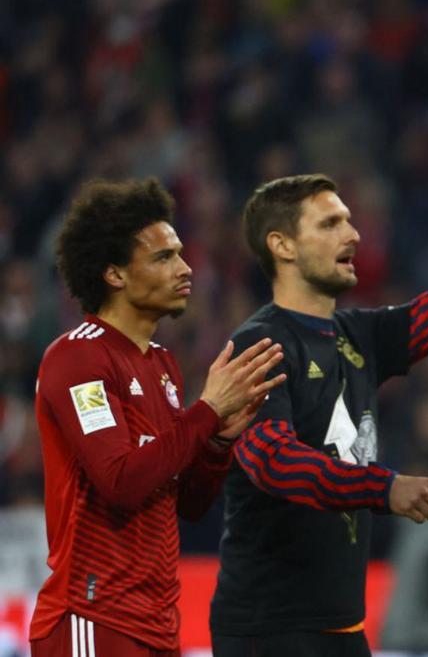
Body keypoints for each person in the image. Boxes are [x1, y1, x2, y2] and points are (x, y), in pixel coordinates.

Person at [209, 91, 428, 656]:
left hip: (344, 627)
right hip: (269, 630)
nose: (352, 235)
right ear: (281, 245)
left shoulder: (359, 336)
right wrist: (386, 487)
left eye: (350, 221)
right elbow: (275, 464)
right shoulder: (257, 343)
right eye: (330, 224)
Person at [30, 178, 285, 657]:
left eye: (181, 254)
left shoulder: (163, 365)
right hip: (93, 619)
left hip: (158, 625)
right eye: (164, 257)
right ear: (115, 274)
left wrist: (217, 442)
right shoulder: (77, 359)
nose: (186, 268)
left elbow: (184, 501)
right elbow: (121, 481)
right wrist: (206, 413)